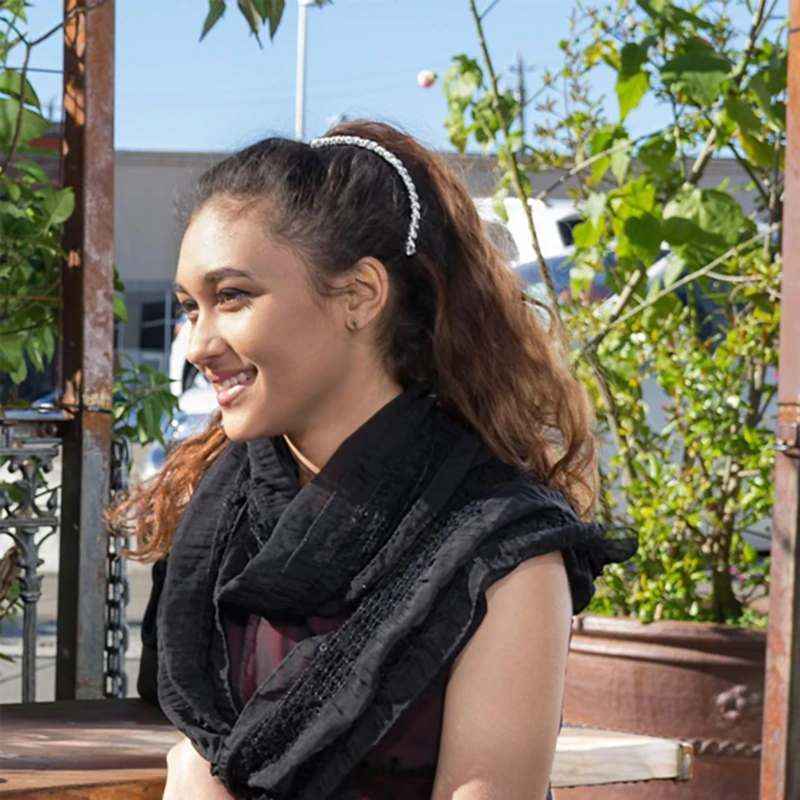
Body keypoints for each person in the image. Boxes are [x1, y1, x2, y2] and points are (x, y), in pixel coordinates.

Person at [111, 119, 637, 800]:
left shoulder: (501, 550)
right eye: (190, 307)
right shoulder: (219, 516)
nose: (197, 345)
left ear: (360, 295)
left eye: (231, 296)